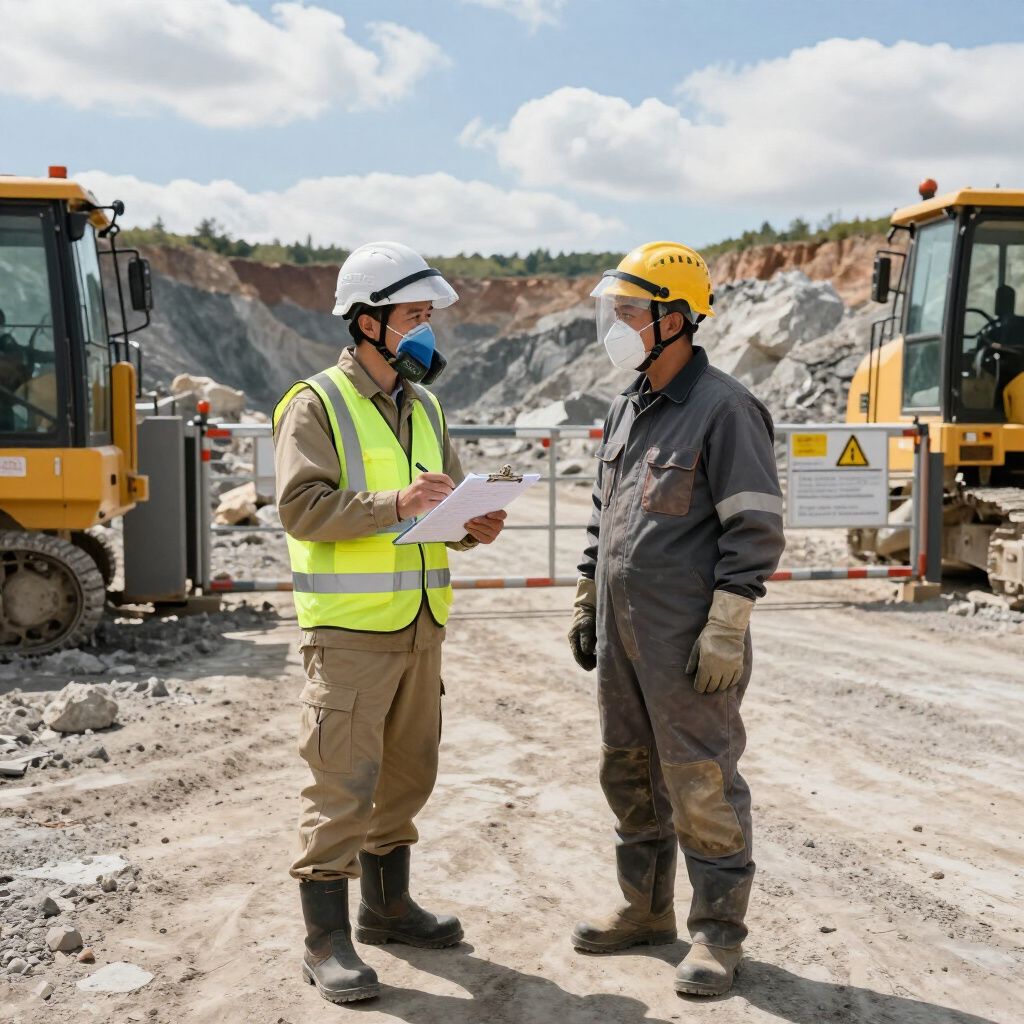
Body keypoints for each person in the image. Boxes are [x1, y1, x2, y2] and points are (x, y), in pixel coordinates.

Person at [272, 241, 506, 1005]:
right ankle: (325, 940)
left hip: (420, 626)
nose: (425, 330)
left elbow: (441, 509)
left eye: (428, 317)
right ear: (367, 321)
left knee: (407, 777)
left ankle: (386, 908)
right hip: (349, 633)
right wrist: (396, 506)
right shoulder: (317, 403)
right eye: (413, 316)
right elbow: (303, 510)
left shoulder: (426, 406)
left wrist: (474, 523)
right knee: (342, 785)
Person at [568, 241, 785, 996]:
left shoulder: (725, 409)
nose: (616, 324)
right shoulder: (628, 405)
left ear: (675, 318)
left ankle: (718, 934)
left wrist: (728, 622)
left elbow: (754, 528)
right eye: (615, 310)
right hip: (626, 636)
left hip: (689, 639)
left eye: (629, 310)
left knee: (699, 778)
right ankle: (643, 907)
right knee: (626, 768)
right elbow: (606, 513)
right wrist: (586, 591)